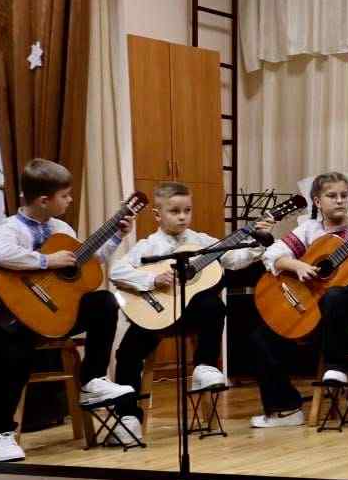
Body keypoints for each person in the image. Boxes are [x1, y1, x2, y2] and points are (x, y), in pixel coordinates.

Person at [0, 159, 134, 462]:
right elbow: (0, 253)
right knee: (13, 352)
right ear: (43, 200)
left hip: (57, 314)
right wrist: (46, 261)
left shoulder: (61, 228)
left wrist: (116, 236)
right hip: (18, 317)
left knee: (105, 301)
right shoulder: (11, 228)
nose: (70, 200)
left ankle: (92, 380)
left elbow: (87, 263)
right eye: (65, 195)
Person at [109, 182, 274, 442]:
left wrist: (259, 241)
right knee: (128, 352)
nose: (182, 216)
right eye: (174, 211)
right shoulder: (148, 246)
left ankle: (204, 367)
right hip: (157, 315)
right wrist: (152, 280)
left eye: (187, 210)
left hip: (190, 316)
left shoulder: (202, 241)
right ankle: (127, 417)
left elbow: (234, 260)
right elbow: (116, 271)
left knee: (213, 304)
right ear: (157, 215)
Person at [249, 172, 348, 428]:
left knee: (335, 295)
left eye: (344, 195)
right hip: (317, 306)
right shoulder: (309, 229)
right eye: (332, 196)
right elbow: (272, 254)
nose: (340, 200)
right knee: (260, 336)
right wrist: (296, 265)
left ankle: (336, 367)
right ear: (317, 201)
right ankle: (286, 408)